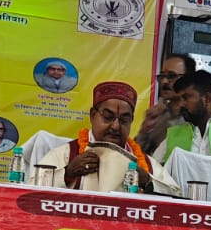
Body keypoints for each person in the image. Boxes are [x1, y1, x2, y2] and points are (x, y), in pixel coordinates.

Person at [38, 81, 178, 194]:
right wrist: (67, 173)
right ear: (93, 115)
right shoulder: (65, 155)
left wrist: (147, 182)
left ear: (131, 121)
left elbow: (176, 195)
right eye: (108, 117)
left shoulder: (146, 164)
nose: (115, 126)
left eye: (124, 120)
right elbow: (33, 190)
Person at [133, 52, 193, 156]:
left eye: (171, 76)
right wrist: (145, 130)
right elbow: (135, 155)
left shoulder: (194, 118)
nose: (164, 81)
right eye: (162, 76)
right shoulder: (158, 116)